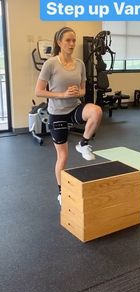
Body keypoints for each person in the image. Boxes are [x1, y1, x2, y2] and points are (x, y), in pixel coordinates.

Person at [35, 26, 103, 205]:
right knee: (63, 157)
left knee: (96, 111)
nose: (72, 44)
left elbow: (82, 90)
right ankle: (61, 192)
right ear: (60, 42)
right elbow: (39, 91)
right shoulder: (51, 64)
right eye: (68, 40)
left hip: (74, 108)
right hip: (57, 113)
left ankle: (83, 143)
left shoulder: (79, 64)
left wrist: (76, 92)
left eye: (74, 40)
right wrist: (62, 95)